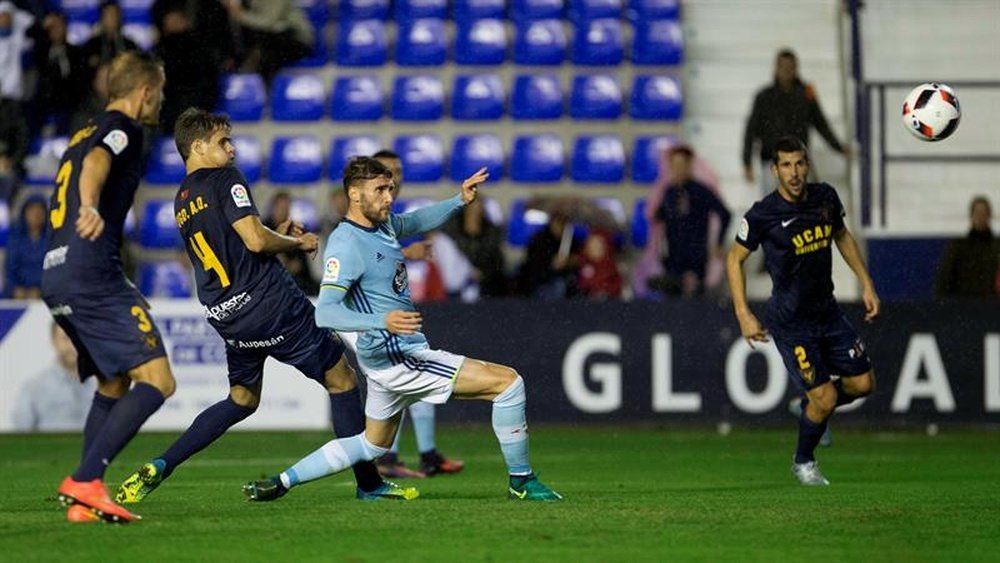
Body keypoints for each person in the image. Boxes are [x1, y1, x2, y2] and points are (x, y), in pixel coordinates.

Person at [115, 108, 414, 505]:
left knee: (242, 399)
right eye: (224, 142)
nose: (232, 149)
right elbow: (255, 241)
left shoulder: (182, 199)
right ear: (198, 146)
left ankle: (162, 464)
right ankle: (369, 484)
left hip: (228, 316)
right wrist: (296, 243)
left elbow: (238, 242)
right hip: (271, 304)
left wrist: (274, 233)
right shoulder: (225, 178)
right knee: (341, 380)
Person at [242, 158, 562, 502]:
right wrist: (384, 321)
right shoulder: (346, 243)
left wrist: (459, 200)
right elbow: (327, 312)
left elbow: (416, 220)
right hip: (397, 356)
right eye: (380, 190)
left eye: (390, 188)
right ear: (354, 194)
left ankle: (281, 482)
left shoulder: (383, 225)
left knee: (371, 444)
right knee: (509, 384)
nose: (388, 196)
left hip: (384, 361)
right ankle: (522, 481)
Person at [41, 51, 174, 524]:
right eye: (158, 91)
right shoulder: (124, 128)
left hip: (56, 272)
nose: (160, 99)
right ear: (144, 92)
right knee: (158, 380)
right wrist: (91, 205)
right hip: (92, 271)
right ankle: (85, 480)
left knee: (114, 382)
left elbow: (86, 159)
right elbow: (98, 163)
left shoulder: (81, 131)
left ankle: (83, 498)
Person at [726, 136, 878, 486]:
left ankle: (808, 407)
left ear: (806, 165)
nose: (794, 173)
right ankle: (803, 462)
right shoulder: (763, 214)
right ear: (774, 169)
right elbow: (734, 258)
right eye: (786, 165)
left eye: (799, 164)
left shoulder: (825, 198)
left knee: (863, 383)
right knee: (824, 398)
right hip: (792, 323)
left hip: (828, 313)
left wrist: (866, 282)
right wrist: (743, 313)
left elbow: (841, 236)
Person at [366, 148, 464, 478]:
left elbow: (418, 220)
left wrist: (458, 200)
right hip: (366, 315)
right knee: (402, 377)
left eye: (399, 170)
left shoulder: (390, 214)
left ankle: (411, 456)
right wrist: (408, 252)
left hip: (387, 313)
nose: (395, 177)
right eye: (388, 170)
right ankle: (387, 457)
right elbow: (367, 255)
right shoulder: (368, 212)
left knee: (412, 376)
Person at [742, 48, 849, 197]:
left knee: (805, 208)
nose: (787, 71)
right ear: (776, 67)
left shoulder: (806, 94)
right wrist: (747, 162)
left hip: (799, 162)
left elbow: (820, 123)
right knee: (773, 212)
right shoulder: (764, 97)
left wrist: (838, 147)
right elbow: (751, 129)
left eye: (790, 67)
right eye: (783, 67)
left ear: (796, 68)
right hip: (771, 163)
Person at [653, 145, 732, 298]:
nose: (678, 169)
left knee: (696, 300)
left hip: (696, 253)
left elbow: (725, 214)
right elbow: (661, 216)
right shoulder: (669, 191)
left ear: (689, 165)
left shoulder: (701, 191)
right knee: (671, 299)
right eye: (674, 165)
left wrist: (718, 243)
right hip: (673, 254)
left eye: (682, 165)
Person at [13, 322, 96, 431]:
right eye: (66, 338)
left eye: (77, 338)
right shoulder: (33, 388)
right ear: (54, 341)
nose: (73, 345)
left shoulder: (103, 386)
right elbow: (20, 436)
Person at [221, 0, 312, 85]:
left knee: (269, 50)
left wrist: (240, 15)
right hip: (267, 39)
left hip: (295, 38)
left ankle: (264, 92)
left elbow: (268, 22)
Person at [441, 198, 509, 298]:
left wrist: (481, 273)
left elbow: (494, 256)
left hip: (484, 276)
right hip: (458, 272)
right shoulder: (451, 228)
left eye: (478, 209)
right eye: (471, 208)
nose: (474, 212)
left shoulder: (491, 230)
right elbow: (449, 253)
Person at [935, 196, 999, 298]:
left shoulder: (997, 247)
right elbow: (944, 280)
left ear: (989, 215)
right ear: (971, 216)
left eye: (984, 213)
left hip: (993, 306)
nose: (980, 217)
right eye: (977, 213)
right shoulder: (958, 247)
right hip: (965, 306)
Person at [263, 190, 319, 296]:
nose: (284, 211)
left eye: (287, 208)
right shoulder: (264, 229)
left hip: (299, 279)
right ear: (273, 208)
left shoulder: (296, 229)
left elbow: (300, 264)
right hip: (272, 280)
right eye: (281, 208)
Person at [4, 195, 48, 298]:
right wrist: (15, 289)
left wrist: (41, 290)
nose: (36, 215)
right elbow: (10, 269)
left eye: (40, 211)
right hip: (18, 293)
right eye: (32, 211)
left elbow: (54, 270)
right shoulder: (15, 238)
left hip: (45, 293)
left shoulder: (52, 239)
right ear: (24, 213)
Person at [82, 2, 138, 73]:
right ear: (101, 18)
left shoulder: (130, 45)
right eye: (108, 15)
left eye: (115, 15)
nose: (112, 18)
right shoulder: (90, 46)